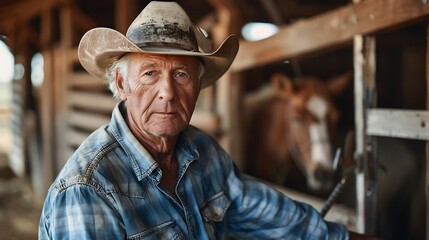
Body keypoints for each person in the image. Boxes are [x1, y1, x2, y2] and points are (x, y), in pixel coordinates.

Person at [38, 1, 378, 239]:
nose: (168, 93)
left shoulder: (203, 152)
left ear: (200, 86)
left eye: (182, 74)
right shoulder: (88, 189)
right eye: (150, 73)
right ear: (123, 85)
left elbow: (267, 212)